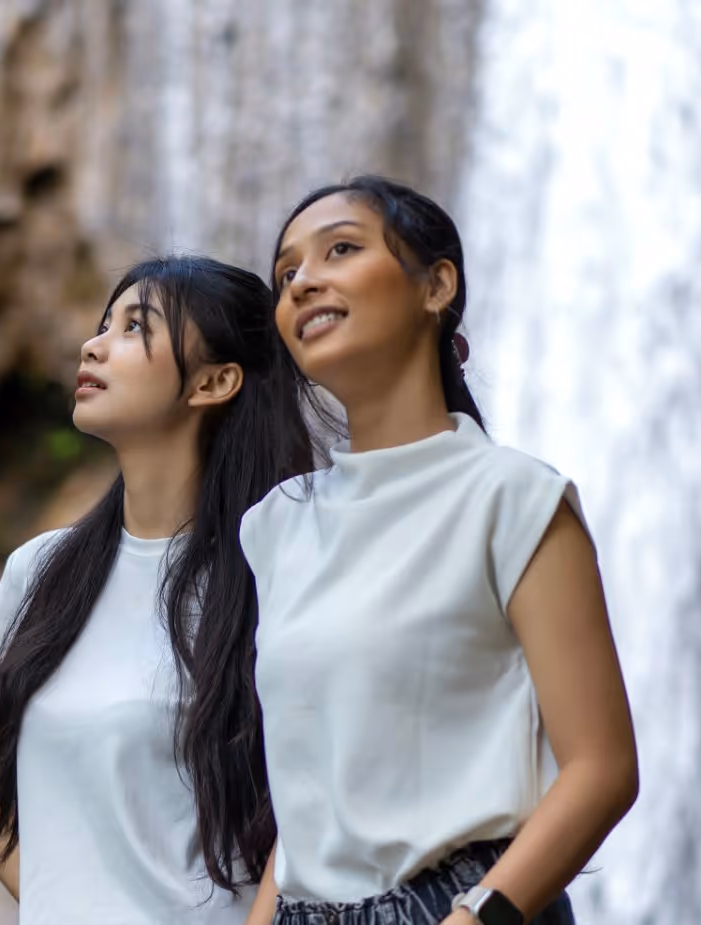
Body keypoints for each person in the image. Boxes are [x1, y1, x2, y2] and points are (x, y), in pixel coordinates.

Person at [242, 176, 638, 925]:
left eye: (341, 250)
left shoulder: (514, 499)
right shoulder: (275, 527)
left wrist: (471, 916)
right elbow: (311, 800)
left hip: (466, 904)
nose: (303, 282)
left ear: (438, 286)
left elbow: (602, 768)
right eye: (286, 273)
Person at [0, 255, 315, 923]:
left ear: (216, 380)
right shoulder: (41, 570)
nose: (94, 345)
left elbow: (312, 804)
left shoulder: (275, 571)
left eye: (133, 329)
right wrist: (51, 898)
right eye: (102, 325)